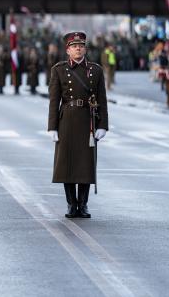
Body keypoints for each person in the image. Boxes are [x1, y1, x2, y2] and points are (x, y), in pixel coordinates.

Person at [47, 32, 108, 219]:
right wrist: (52, 127)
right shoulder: (59, 69)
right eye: (74, 46)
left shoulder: (95, 70)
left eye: (81, 46)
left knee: (85, 165)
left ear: (85, 48)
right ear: (68, 50)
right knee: (67, 165)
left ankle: (83, 204)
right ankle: (71, 204)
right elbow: (54, 100)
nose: (78, 49)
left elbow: (102, 100)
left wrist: (103, 125)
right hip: (66, 120)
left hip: (87, 121)